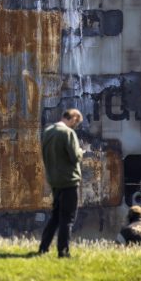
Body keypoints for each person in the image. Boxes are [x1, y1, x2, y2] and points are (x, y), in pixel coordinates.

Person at [38, 108, 84, 258]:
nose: (74, 127)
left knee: (55, 217)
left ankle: (43, 247)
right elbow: (74, 157)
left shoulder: (48, 131)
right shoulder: (68, 133)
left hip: (54, 181)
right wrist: (81, 152)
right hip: (69, 181)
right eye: (75, 124)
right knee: (68, 219)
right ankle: (63, 252)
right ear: (73, 119)